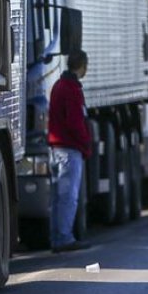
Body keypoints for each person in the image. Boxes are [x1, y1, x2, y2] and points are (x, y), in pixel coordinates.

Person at [48, 49, 93, 252]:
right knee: (69, 197)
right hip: (69, 150)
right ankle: (64, 237)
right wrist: (86, 144)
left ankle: (57, 237)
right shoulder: (72, 89)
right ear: (81, 65)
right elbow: (76, 122)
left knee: (58, 197)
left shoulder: (58, 85)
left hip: (56, 148)